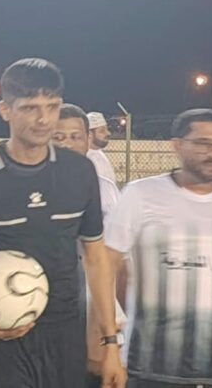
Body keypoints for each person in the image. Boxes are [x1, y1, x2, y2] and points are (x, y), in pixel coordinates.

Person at [0, 58, 126, 388]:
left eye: (52, 107)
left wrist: (110, 344)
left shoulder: (80, 173)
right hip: (0, 343)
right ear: (5, 110)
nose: (43, 119)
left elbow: (96, 260)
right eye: (30, 108)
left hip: (64, 337)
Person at [105, 108, 212, 388]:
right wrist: (109, 341)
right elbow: (105, 267)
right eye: (203, 143)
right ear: (177, 145)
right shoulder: (141, 195)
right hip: (149, 369)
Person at [52, 104, 127, 388]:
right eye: (59, 137)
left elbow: (117, 260)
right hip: (44, 316)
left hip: (96, 313)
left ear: (88, 140)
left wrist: (113, 326)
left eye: (75, 137)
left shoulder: (105, 189)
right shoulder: (28, 187)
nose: (68, 145)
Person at [86, 112, 117, 183]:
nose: (108, 133)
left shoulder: (99, 153)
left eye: (107, 129)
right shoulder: (84, 159)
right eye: (102, 131)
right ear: (90, 134)